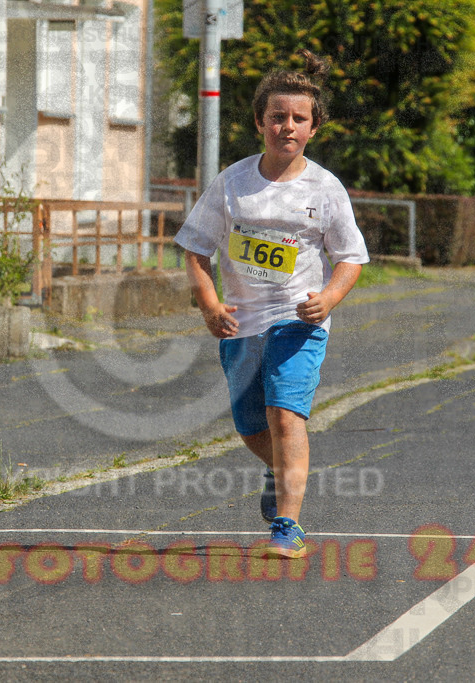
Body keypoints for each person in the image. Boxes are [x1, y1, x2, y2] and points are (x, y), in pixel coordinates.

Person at [174, 49, 369, 558]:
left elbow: (351, 258)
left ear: (314, 126)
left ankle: (288, 525)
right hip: (241, 324)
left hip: (297, 321)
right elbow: (195, 250)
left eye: (298, 118)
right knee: (251, 426)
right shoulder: (234, 182)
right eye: (277, 116)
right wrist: (211, 306)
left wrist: (327, 299)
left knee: (286, 416)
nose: (287, 126)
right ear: (260, 121)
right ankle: (278, 470)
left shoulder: (325, 189)